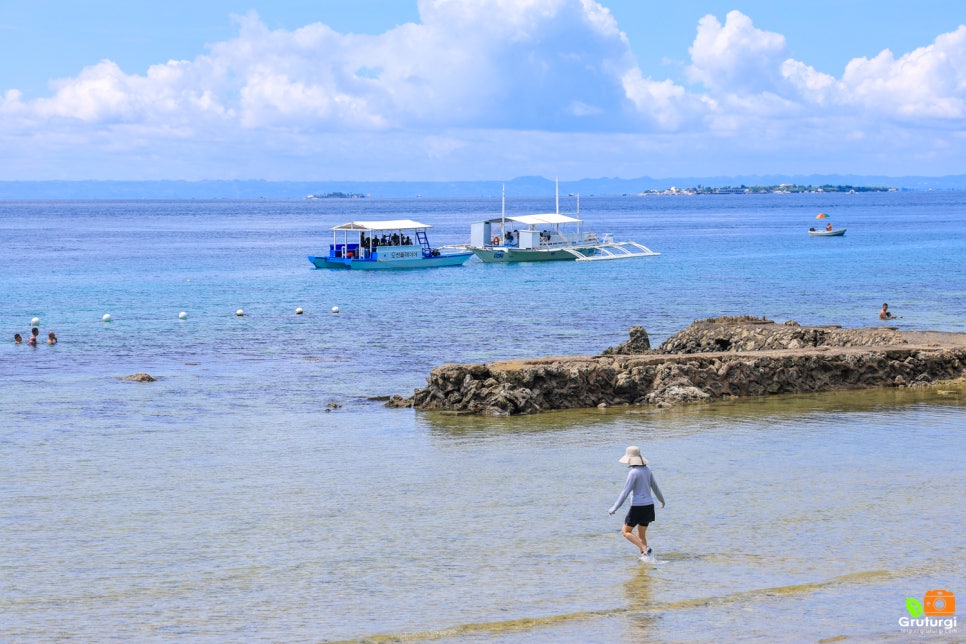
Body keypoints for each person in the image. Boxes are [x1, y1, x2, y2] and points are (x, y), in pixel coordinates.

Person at [609, 446, 665, 561]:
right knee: (641, 535)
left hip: (637, 507)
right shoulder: (648, 470)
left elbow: (625, 492)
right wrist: (662, 500)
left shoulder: (633, 472)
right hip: (649, 506)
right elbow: (655, 487)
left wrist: (614, 508)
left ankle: (645, 548)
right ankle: (645, 559)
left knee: (625, 532)